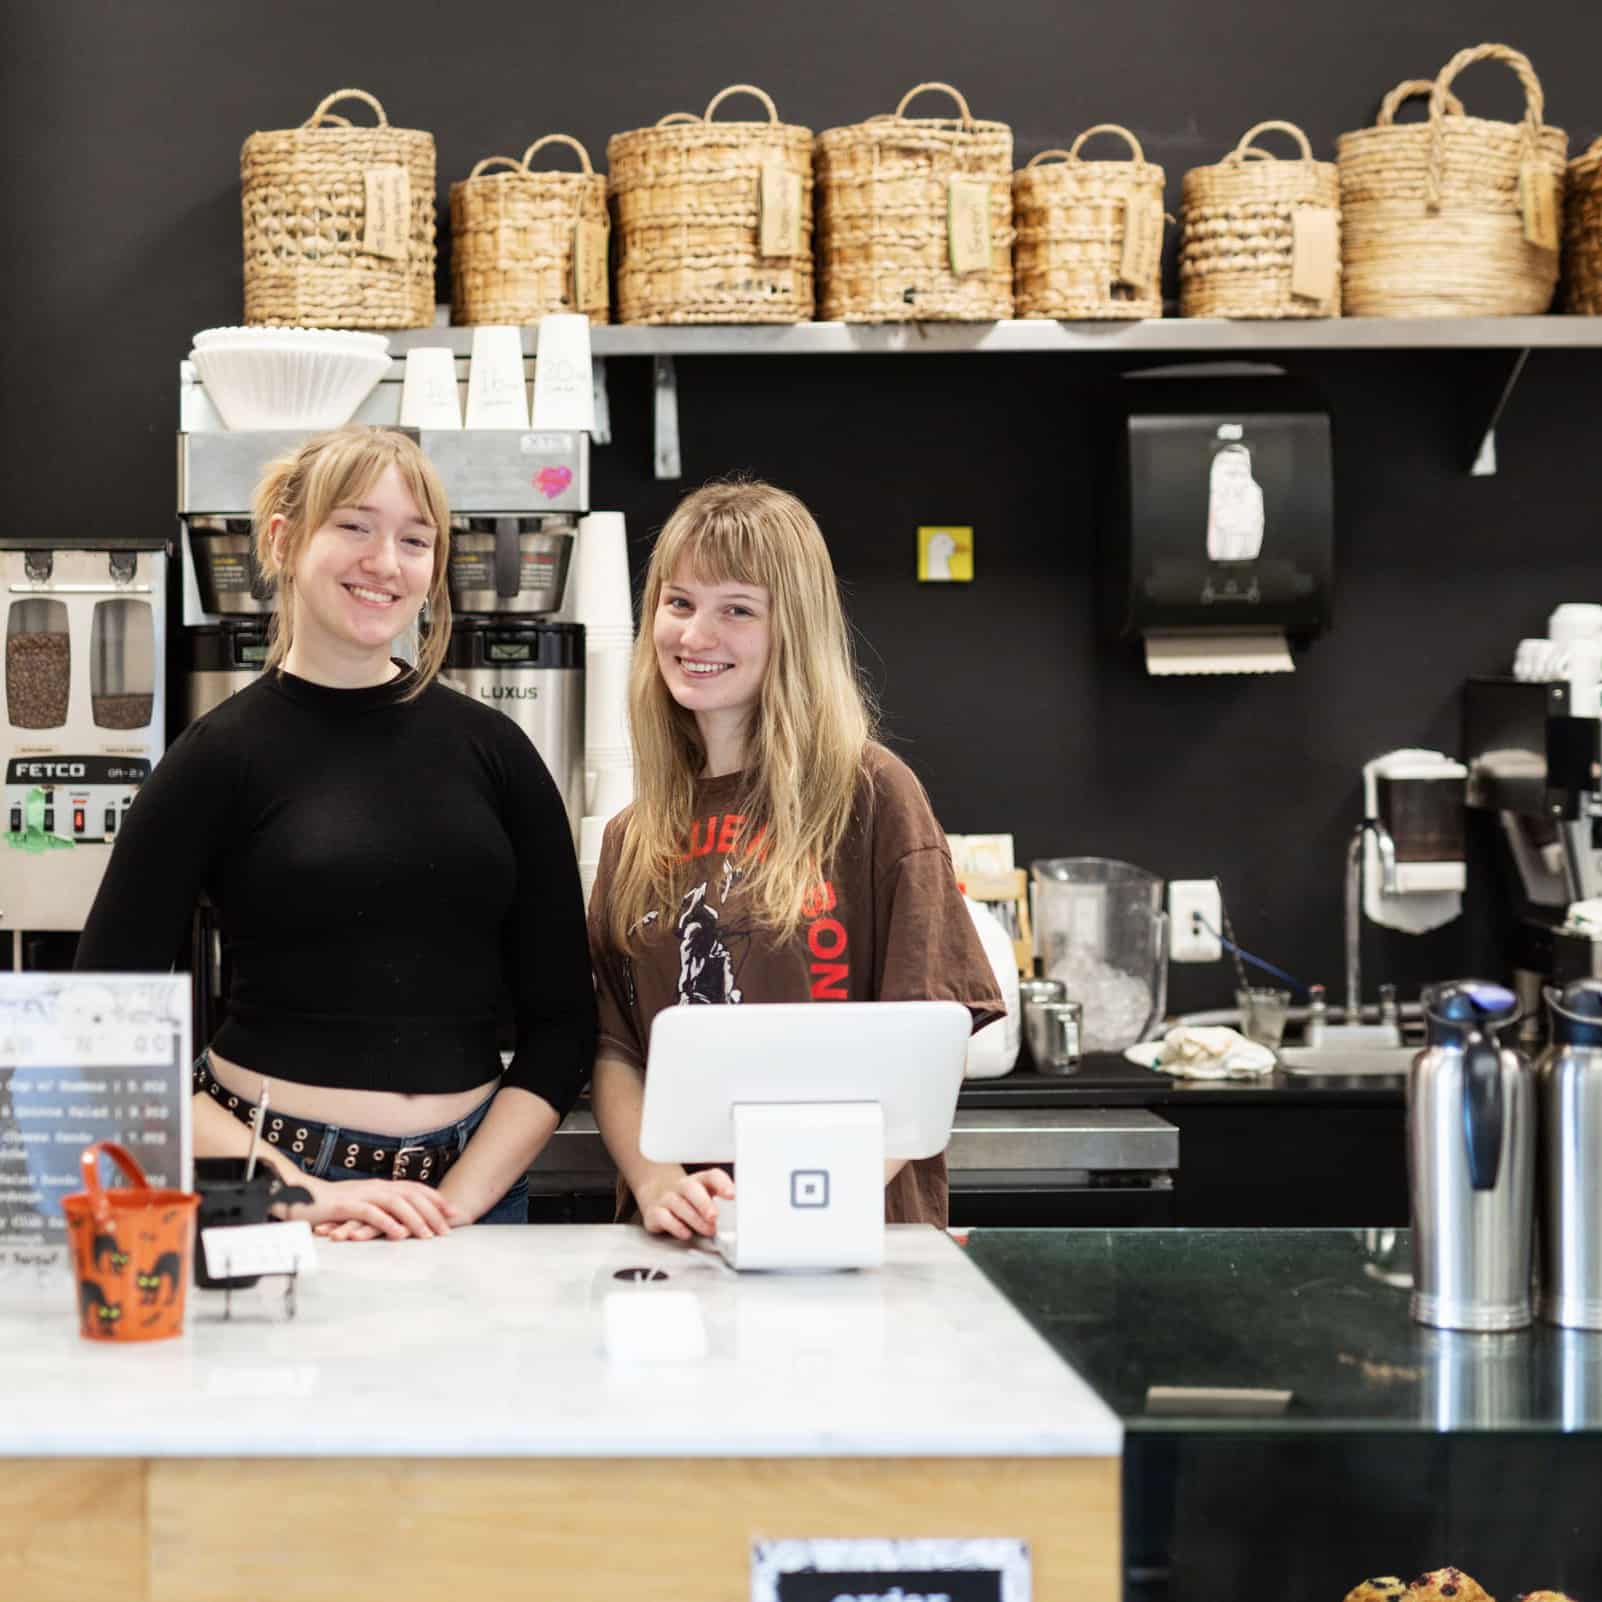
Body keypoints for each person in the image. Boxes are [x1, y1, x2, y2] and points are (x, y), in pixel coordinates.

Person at [76, 426, 595, 1239]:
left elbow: (564, 1025)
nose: (385, 562)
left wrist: (452, 1203)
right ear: (284, 540)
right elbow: (100, 1021)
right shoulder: (217, 757)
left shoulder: (497, 752)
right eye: (354, 526)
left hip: (473, 1197)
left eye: (413, 539)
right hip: (271, 1188)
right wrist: (293, 1191)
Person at [587, 479, 1003, 1240]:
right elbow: (616, 1048)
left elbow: (931, 1041)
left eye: (736, 610)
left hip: (841, 1232)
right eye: (678, 603)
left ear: (794, 628)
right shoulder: (633, 835)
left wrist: (806, 1203)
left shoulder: (870, 794)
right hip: (686, 1238)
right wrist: (655, 1184)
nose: (694, 635)